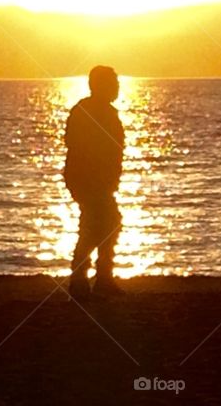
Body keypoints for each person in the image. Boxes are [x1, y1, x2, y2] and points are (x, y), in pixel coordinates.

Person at [64, 65, 126, 300]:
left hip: (98, 180)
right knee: (98, 226)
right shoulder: (87, 111)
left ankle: (98, 279)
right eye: (113, 83)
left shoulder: (104, 111)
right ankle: (85, 280)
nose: (117, 88)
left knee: (105, 224)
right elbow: (77, 145)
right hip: (89, 180)